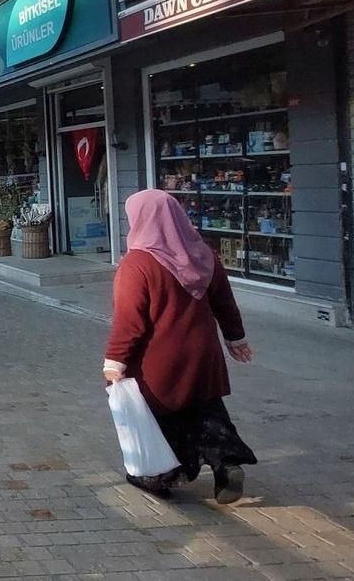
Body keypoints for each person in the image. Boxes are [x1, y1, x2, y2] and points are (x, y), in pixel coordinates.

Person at [104, 189, 256, 503]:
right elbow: (225, 303)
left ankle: (159, 477)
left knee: (160, 417)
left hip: (159, 360)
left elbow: (129, 320)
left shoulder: (138, 264)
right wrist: (235, 338)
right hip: (203, 354)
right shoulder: (202, 253)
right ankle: (226, 463)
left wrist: (115, 360)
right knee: (207, 410)